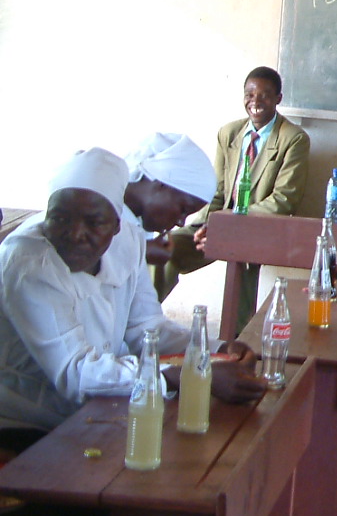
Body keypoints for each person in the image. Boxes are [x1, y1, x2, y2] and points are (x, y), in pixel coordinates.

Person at [0, 148, 264, 455]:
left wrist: (215, 351)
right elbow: (75, 372)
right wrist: (182, 374)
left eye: (94, 222)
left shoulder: (128, 240)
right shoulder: (30, 261)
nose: (75, 233)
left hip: (95, 409)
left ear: (117, 225)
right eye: (59, 218)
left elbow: (146, 328)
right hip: (29, 420)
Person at [161, 67, 311, 332]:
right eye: (250, 94)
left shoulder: (294, 138)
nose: (256, 102)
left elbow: (284, 200)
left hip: (257, 226)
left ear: (278, 98)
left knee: (241, 256)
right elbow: (217, 191)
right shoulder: (228, 133)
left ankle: (236, 341)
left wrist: (230, 224)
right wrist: (208, 223)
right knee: (166, 248)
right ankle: (139, 319)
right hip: (217, 223)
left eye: (265, 95)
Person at [123, 133, 217, 267]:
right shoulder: (100, 206)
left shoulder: (137, 228)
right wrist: (139, 254)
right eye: (183, 210)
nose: (181, 223)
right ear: (161, 184)